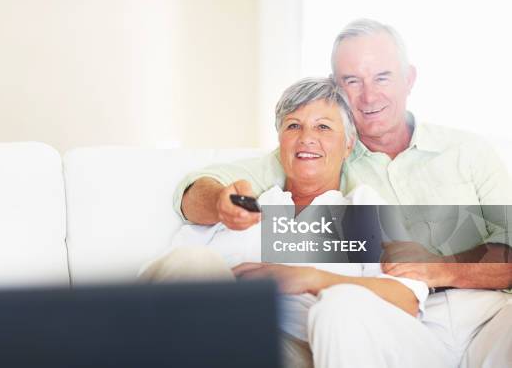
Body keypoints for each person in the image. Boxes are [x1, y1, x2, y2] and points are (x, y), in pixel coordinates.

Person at [174, 19, 512, 368]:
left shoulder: (466, 151)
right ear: (336, 86)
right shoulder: (320, 155)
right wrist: (219, 202)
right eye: (352, 81)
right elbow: (200, 190)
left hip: (490, 312)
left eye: (382, 77)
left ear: (409, 78)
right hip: (399, 324)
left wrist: (440, 268)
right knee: (340, 309)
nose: (368, 96)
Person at [142, 77, 450, 368]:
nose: (307, 139)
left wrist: (312, 278)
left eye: (323, 127)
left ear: (348, 144)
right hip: (220, 339)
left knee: (339, 307)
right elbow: (161, 278)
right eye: (293, 126)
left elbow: (406, 299)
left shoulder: (363, 207)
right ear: (280, 141)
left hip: (309, 350)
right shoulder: (245, 207)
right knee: (192, 263)